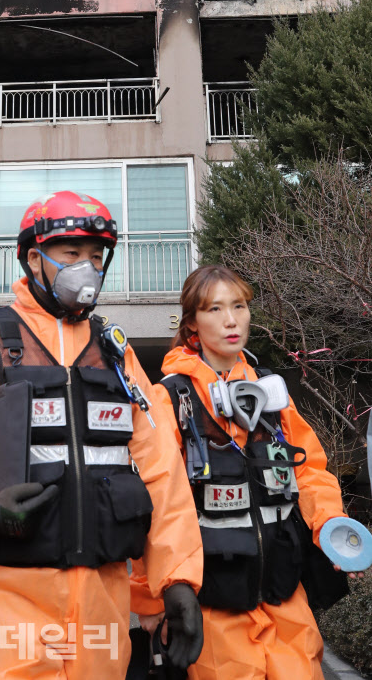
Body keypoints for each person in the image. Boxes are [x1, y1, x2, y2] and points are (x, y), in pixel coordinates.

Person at [0, 190, 204, 679]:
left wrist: (177, 581)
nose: (88, 266)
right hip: (10, 583)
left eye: (96, 256)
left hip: (104, 587)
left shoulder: (114, 350)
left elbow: (160, 468)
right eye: (72, 253)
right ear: (33, 258)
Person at [130, 264, 359, 680]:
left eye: (239, 305)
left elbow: (311, 472)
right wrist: (150, 600)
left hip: (285, 592)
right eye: (215, 309)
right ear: (192, 324)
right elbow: (154, 503)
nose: (231, 320)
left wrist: (330, 525)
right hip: (213, 602)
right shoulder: (169, 399)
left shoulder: (272, 394)